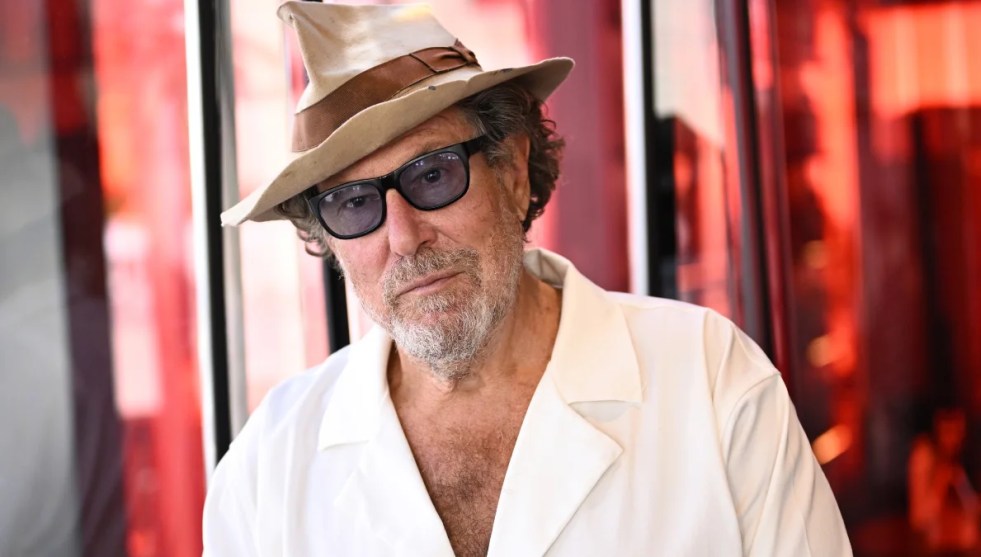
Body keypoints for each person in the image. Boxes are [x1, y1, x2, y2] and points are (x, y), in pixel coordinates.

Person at [204, 2, 852, 555]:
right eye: (353, 204)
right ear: (326, 236)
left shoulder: (713, 386)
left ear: (513, 171)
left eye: (433, 175)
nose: (402, 238)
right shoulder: (271, 466)